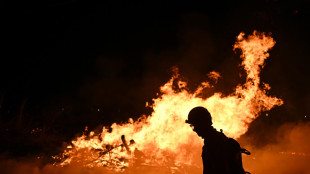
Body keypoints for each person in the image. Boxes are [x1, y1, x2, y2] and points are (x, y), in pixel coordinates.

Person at [186, 106, 248, 174]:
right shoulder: (222, 140)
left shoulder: (212, 145)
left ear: (201, 124)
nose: (194, 129)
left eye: (194, 125)